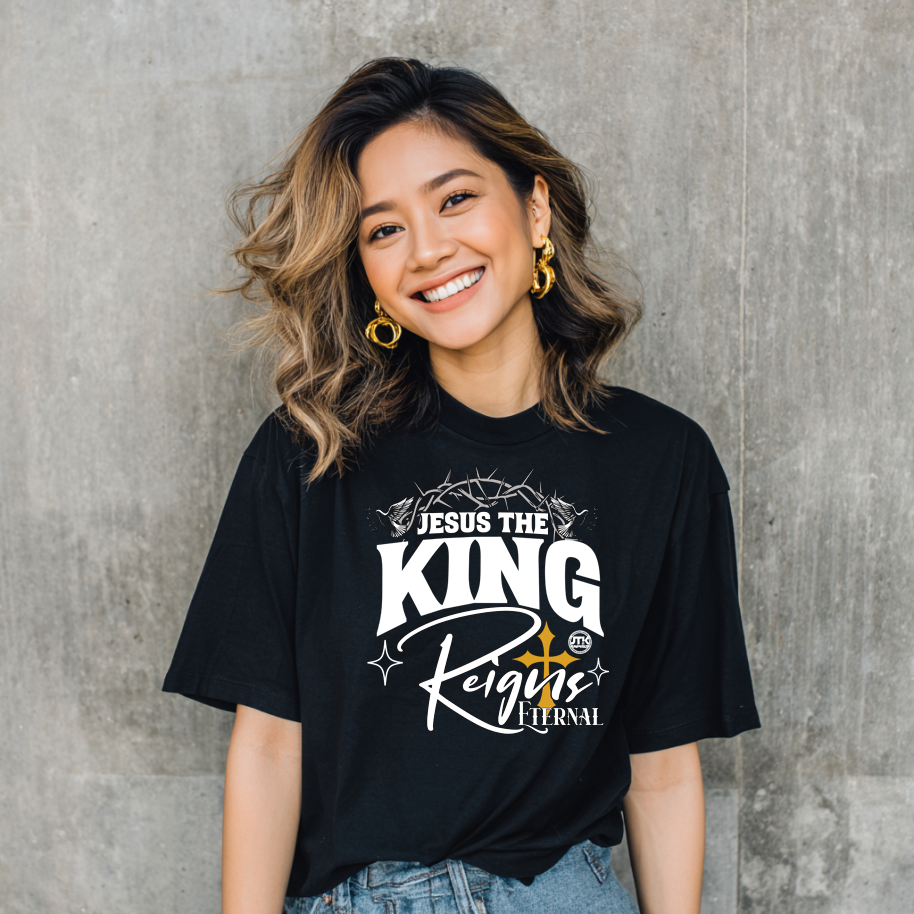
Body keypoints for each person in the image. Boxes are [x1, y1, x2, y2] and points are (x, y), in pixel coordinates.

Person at [163, 57, 761, 914]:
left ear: (536, 206)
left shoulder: (661, 460)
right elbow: (267, 750)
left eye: (455, 199)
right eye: (383, 230)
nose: (430, 249)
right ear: (364, 266)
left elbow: (661, 769)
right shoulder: (309, 455)